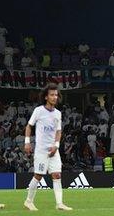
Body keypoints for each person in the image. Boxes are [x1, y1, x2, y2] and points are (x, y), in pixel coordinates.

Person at [23, 83, 72, 211]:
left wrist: (56, 146)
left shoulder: (58, 114)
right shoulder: (38, 111)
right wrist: (27, 142)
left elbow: (58, 131)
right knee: (38, 175)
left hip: (53, 151)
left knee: (57, 175)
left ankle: (59, 203)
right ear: (46, 97)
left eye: (56, 95)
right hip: (41, 151)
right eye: (52, 95)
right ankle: (28, 201)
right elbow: (29, 126)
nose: (55, 97)